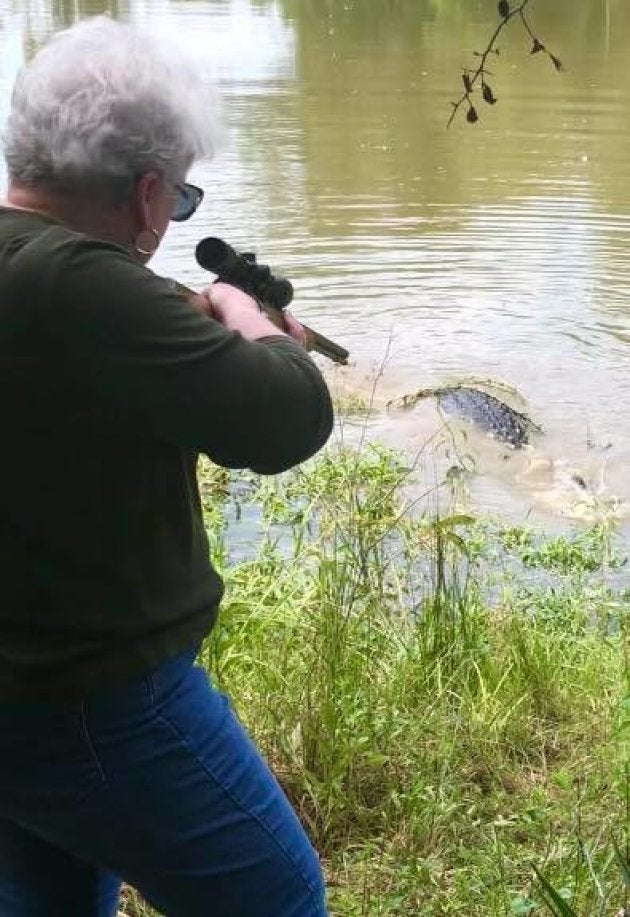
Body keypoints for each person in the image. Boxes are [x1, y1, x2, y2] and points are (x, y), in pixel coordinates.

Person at [0, 16, 333, 917]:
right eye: (180, 199)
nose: (170, 219)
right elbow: (286, 419)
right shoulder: (84, 286)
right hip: (100, 700)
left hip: (18, 684)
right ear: (147, 192)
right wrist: (249, 317)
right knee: (281, 898)